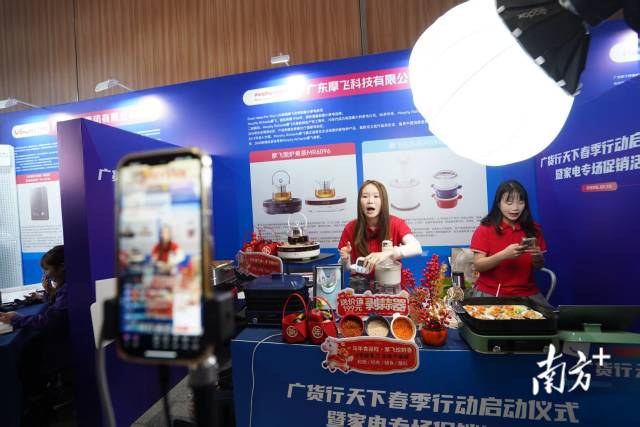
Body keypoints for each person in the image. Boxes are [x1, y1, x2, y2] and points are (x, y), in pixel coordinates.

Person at [0, 245, 74, 424]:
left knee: (29, 353)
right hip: (63, 342)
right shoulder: (66, 287)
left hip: (62, 348)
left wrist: (16, 319)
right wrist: (48, 294)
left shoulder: (68, 290)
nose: (45, 274)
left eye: (47, 269)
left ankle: (37, 401)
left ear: (62, 267)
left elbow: (48, 322)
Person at [470, 180, 548, 305]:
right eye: (509, 202)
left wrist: (537, 257)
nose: (515, 208)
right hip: (492, 293)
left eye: (520, 202)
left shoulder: (534, 229)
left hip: (527, 294)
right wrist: (503, 255)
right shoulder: (485, 229)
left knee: (550, 316)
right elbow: (478, 265)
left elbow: (538, 266)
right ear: (498, 204)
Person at [338, 180, 421, 276]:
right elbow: (346, 268)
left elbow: (417, 248)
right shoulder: (350, 227)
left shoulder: (396, 223)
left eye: (376, 196)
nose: (370, 201)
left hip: (391, 282)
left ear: (383, 201)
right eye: (365, 196)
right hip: (361, 284)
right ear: (359, 202)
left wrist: (388, 253)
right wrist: (345, 258)